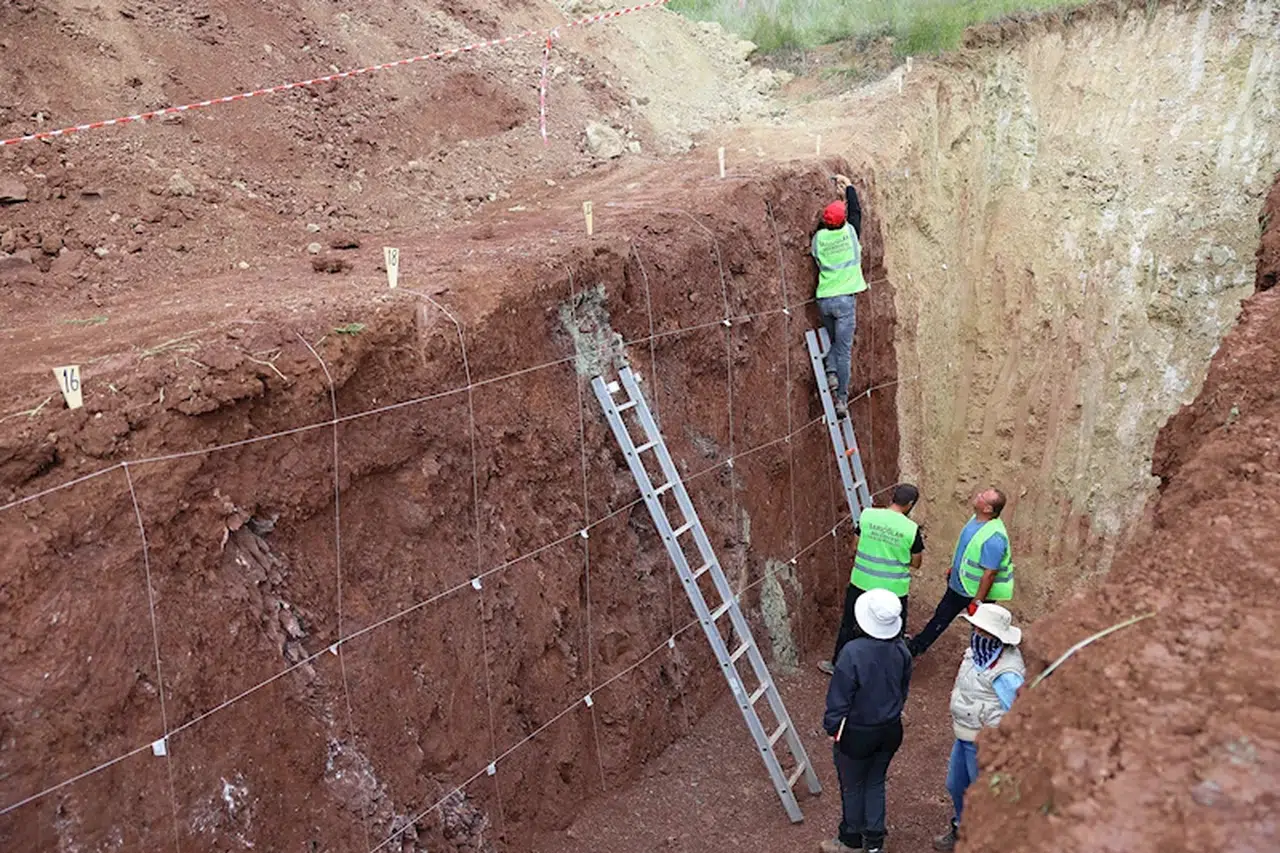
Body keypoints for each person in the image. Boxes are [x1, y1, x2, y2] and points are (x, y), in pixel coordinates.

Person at [820, 589, 912, 853]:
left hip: (858, 733)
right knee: (875, 781)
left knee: (853, 785)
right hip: (890, 730)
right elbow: (903, 689)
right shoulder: (902, 650)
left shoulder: (852, 652)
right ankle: (874, 841)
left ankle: (850, 839)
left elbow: (839, 697)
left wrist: (832, 727)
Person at [932, 603, 1026, 851]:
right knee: (956, 785)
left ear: (996, 636)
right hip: (965, 736)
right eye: (976, 629)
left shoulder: (1007, 673)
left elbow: (1017, 713)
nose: (976, 634)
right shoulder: (975, 654)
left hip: (984, 743)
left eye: (982, 631)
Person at [818, 483, 924, 676]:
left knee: (849, 623)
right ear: (910, 504)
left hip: (862, 581)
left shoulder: (868, 515)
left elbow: (855, 546)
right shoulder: (911, 529)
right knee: (894, 630)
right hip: (893, 589)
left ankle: (837, 664)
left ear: (893, 497)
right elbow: (916, 562)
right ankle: (890, 671)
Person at [908, 487, 1013, 658]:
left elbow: (990, 574)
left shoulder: (994, 538)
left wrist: (977, 601)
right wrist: (955, 569)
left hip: (974, 593)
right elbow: (967, 550)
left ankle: (981, 659)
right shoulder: (976, 520)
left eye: (982, 497)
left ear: (988, 509)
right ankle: (917, 647)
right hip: (960, 585)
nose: (978, 495)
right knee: (940, 617)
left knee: (979, 629)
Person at [811, 173, 868, 420]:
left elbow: (832, 224)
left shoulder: (819, 239)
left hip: (824, 300)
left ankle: (832, 372)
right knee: (843, 350)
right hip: (845, 302)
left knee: (836, 343)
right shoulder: (851, 234)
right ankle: (842, 399)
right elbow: (856, 213)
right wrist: (850, 189)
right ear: (844, 221)